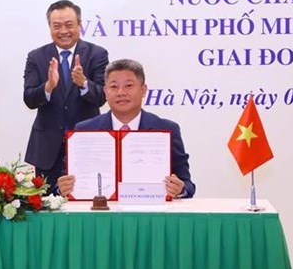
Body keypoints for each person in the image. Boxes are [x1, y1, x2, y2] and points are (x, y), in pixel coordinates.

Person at [57, 59, 196, 198]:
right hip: (101, 214)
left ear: (143, 90)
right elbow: (63, 181)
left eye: (129, 85)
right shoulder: (84, 130)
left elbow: (187, 184)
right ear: (105, 91)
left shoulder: (166, 129)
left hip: (150, 214)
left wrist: (180, 189)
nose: (121, 92)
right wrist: (62, 189)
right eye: (114, 86)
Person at [23, 0, 109, 194]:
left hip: (86, 145)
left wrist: (83, 83)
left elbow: (103, 97)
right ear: (50, 27)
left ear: (80, 25)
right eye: (57, 26)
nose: (63, 31)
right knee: (46, 208)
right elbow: (29, 98)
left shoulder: (97, 54)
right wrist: (48, 86)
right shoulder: (36, 57)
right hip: (47, 149)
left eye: (69, 25)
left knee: (87, 202)